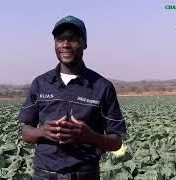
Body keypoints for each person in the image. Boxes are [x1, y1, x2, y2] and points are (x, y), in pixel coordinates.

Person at [17, 15, 126, 180]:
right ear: (55, 44)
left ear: (84, 43)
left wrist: (90, 136)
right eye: (60, 39)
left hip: (85, 175)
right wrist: (42, 132)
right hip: (44, 175)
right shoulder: (40, 83)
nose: (65, 45)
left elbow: (116, 142)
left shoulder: (103, 87)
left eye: (73, 39)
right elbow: (26, 132)